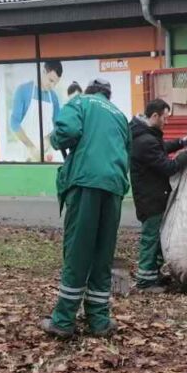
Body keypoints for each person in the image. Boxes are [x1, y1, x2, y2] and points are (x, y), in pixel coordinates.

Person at [42, 79, 132, 338]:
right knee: (102, 254)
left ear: (90, 91)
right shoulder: (119, 116)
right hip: (113, 186)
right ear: (108, 94)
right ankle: (99, 320)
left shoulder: (79, 102)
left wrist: (60, 141)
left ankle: (63, 320)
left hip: (86, 183)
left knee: (79, 251)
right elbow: (127, 153)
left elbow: (65, 132)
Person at [129, 99, 187, 293]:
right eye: (165, 118)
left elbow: (160, 148)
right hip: (150, 198)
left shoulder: (145, 134)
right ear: (155, 116)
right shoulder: (145, 141)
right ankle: (145, 281)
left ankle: (154, 275)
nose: (166, 122)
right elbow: (168, 167)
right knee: (150, 238)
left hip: (153, 195)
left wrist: (181, 142)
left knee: (157, 236)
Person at [10, 61, 63, 162]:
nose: (52, 86)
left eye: (55, 83)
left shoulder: (54, 97)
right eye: (51, 80)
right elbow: (14, 123)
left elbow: (58, 125)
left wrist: (48, 139)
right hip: (25, 154)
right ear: (43, 72)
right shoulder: (23, 90)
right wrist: (31, 147)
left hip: (46, 154)